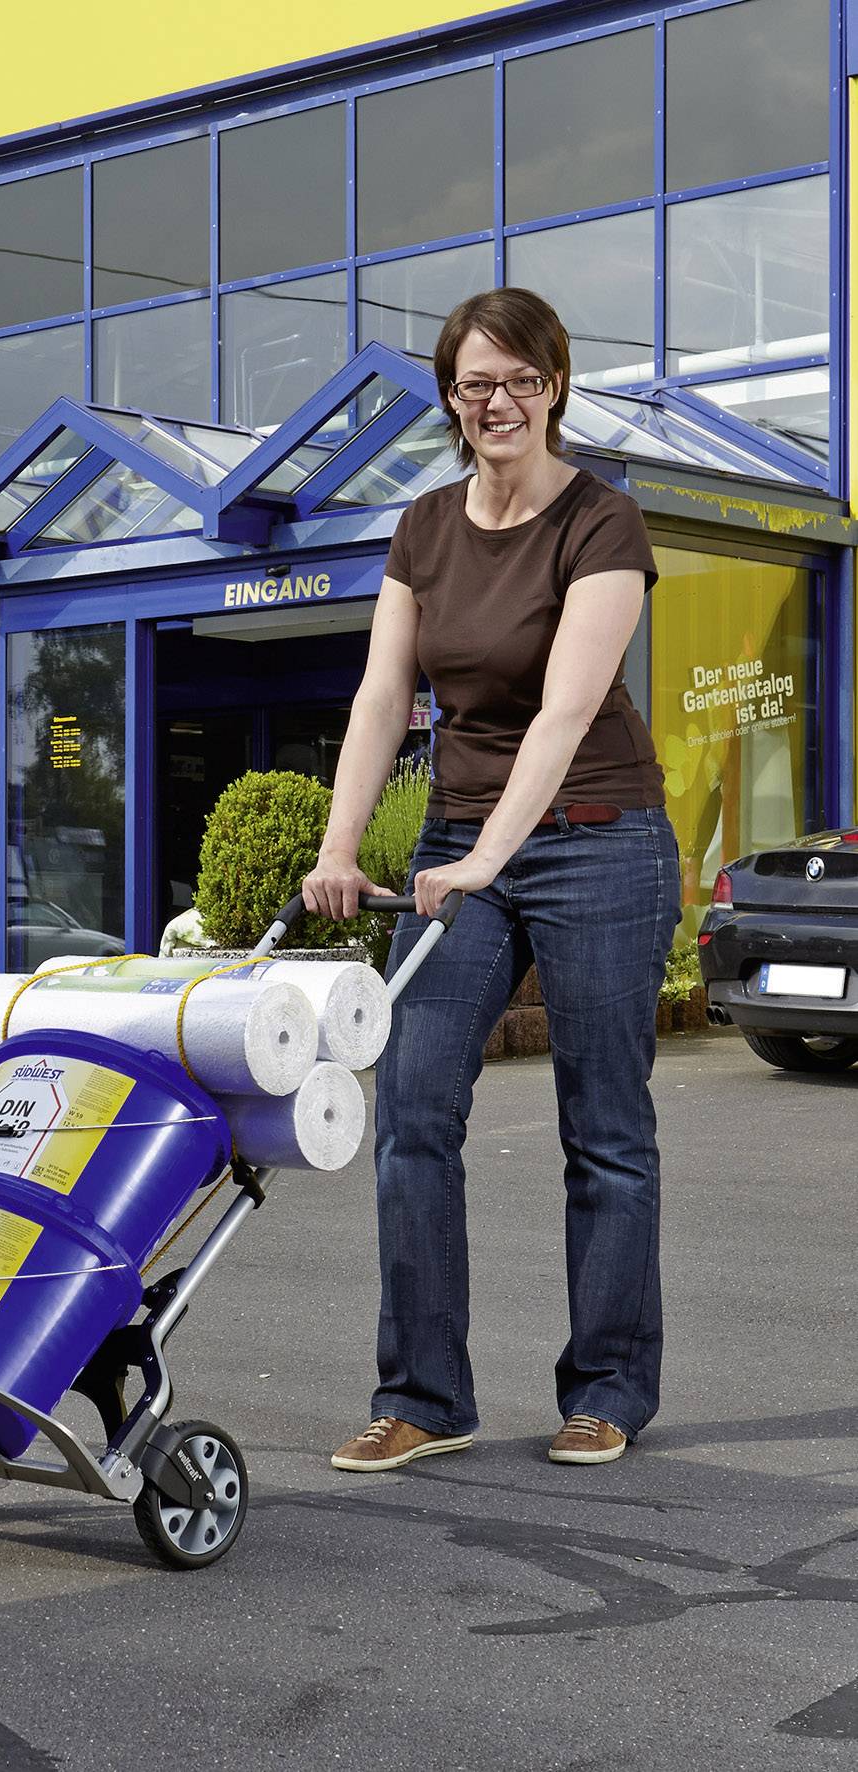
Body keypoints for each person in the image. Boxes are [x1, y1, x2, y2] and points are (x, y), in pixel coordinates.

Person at [302, 288, 681, 1471]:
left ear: (554, 385)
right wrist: (337, 842)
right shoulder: (420, 528)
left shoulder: (600, 522)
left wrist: (481, 856)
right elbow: (381, 699)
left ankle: (606, 1386)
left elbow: (565, 711)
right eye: (475, 383)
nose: (498, 402)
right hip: (463, 841)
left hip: (598, 834)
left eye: (519, 379)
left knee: (603, 1128)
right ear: (450, 397)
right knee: (413, 1111)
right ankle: (423, 1393)